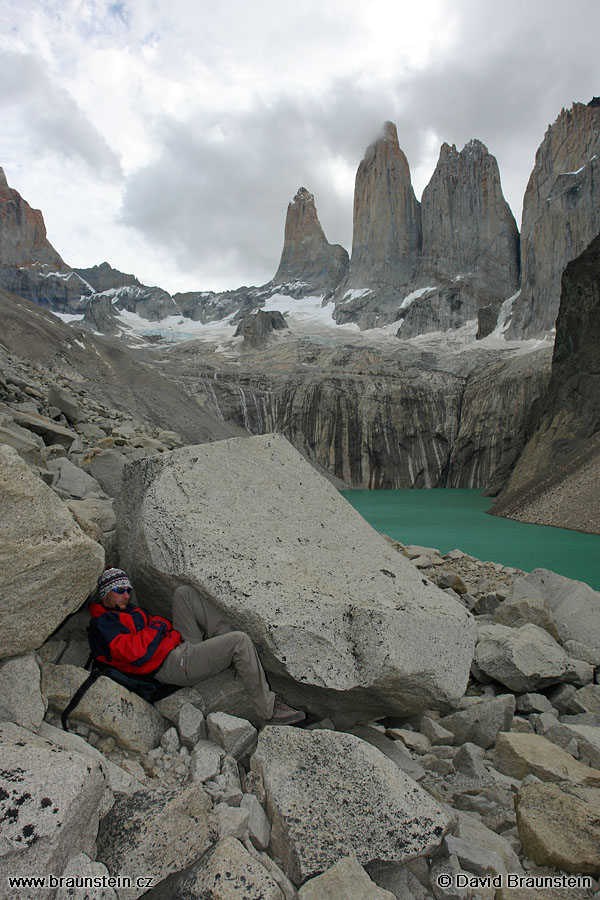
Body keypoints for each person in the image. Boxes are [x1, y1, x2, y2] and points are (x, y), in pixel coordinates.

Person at [88, 566, 306, 725]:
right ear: (105, 593)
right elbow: (137, 652)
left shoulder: (129, 612)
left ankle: (228, 645)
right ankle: (267, 709)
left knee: (184, 593)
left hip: (176, 647)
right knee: (240, 640)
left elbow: (153, 632)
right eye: (119, 591)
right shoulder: (103, 623)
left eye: (128, 590)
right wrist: (158, 627)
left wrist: (157, 629)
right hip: (173, 665)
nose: (126, 595)